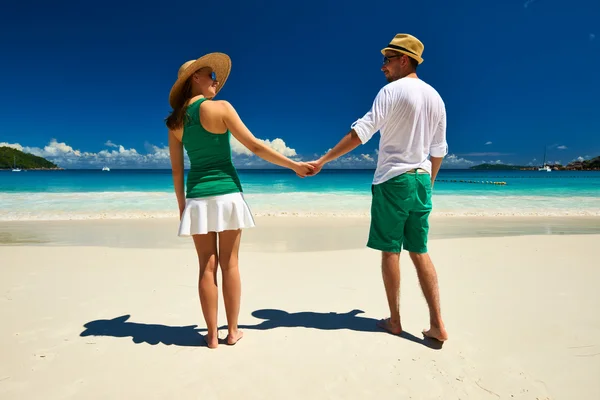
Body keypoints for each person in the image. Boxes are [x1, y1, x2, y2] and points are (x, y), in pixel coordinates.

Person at [166, 53, 314, 348]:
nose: (216, 81)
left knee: (206, 266)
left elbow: (177, 169)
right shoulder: (221, 108)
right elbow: (256, 146)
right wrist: (294, 165)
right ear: (195, 78)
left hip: (197, 197)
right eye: (211, 76)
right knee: (229, 264)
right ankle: (232, 331)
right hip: (228, 195)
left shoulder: (175, 123)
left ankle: (211, 336)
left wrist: (183, 206)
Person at [308, 34, 449, 342]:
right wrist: (429, 183)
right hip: (421, 179)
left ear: (404, 59)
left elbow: (362, 132)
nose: (382, 66)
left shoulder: (391, 91)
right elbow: (438, 150)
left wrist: (324, 160)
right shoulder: (436, 98)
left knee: (390, 252)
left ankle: (395, 321)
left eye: (387, 59)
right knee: (420, 251)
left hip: (393, 180)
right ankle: (437, 323)